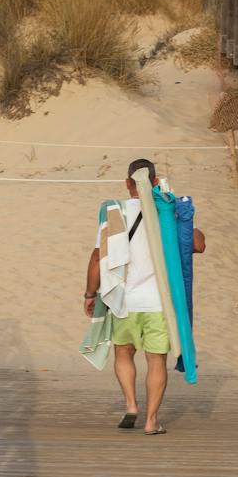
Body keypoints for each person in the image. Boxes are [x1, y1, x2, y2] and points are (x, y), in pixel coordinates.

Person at [82, 158, 207, 435]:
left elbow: (97, 257)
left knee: (123, 353)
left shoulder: (115, 213)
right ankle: (151, 421)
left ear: (127, 183)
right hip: (159, 304)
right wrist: (181, 216)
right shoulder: (166, 214)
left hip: (124, 301)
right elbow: (198, 245)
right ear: (154, 182)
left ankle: (131, 405)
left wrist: (90, 294)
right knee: (156, 361)